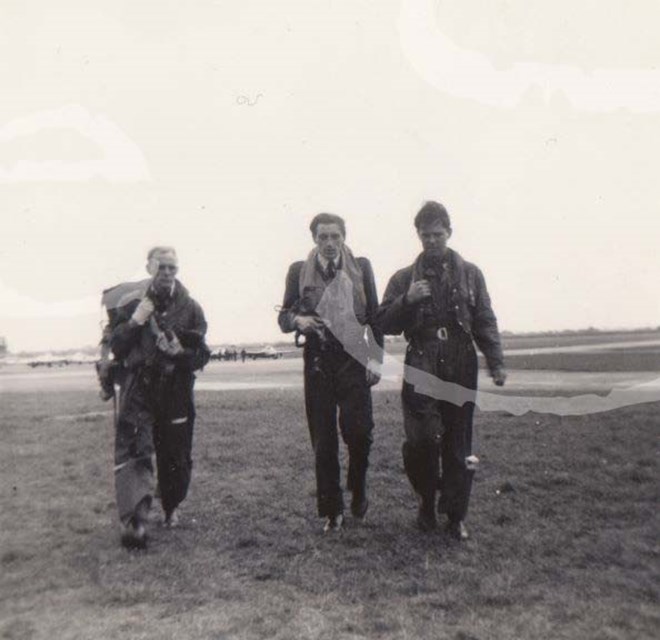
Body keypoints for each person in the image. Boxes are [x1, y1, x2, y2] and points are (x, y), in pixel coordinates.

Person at [377, 202, 506, 540]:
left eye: (438, 234)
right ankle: (426, 501)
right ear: (417, 235)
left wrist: (496, 360)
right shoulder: (404, 278)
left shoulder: (472, 274)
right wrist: (407, 300)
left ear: (449, 232)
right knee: (421, 439)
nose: (432, 240)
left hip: (460, 359)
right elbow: (383, 321)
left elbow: (485, 319)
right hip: (422, 357)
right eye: (425, 235)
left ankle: (455, 516)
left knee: (458, 441)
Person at [278, 213, 383, 532]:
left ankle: (358, 485)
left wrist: (376, 359)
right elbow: (284, 316)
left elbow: (375, 317)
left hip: (354, 356)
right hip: (318, 360)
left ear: (344, 237)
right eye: (322, 237)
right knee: (323, 440)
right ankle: (332, 511)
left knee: (359, 433)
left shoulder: (362, 267)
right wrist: (299, 321)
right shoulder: (298, 271)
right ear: (314, 239)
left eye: (335, 236)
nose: (328, 243)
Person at [101, 246, 209, 548]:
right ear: (149, 268)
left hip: (176, 390)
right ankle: (135, 521)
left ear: (178, 270)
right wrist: (136, 320)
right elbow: (117, 346)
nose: (166, 273)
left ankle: (171, 507)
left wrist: (181, 353)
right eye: (160, 267)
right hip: (141, 388)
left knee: (176, 454)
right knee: (135, 448)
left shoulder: (191, 308)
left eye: (171, 268)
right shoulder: (132, 303)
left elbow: (202, 354)